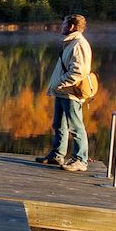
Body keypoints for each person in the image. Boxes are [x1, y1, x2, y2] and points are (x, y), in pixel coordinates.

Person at [37, 14, 92, 172]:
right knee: (59, 125)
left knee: (76, 126)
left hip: (70, 93)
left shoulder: (79, 44)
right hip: (62, 92)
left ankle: (80, 159)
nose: (61, 27)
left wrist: (60, 83)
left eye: (63, 24)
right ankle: (57, 155)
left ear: (71, 27)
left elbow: (78, 72)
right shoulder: (71, 43)